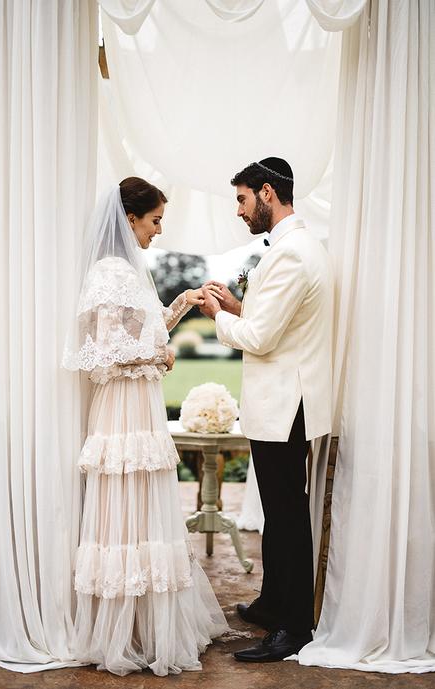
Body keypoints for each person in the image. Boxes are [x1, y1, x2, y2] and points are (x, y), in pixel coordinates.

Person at [62, 177, 228, 676]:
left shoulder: (130, 271)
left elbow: (149, 328)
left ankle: (143, 621)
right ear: (130, 218)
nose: (158, 231)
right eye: (154, 221)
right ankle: (124, 628)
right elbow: (105, 354)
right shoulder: (109, 272)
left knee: (144, 505)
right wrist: (158, 353)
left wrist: (184, 302)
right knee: (126, 505)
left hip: (140, 404)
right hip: (123, 408)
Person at [200, 157, 333, 662]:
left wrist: (218, 316)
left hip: (286, 403)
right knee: (279, 513)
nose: (239, 211)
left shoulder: (293, 253)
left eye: (241, 199)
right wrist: (238, 306)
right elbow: (273, 320)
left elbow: (259, 337)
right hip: (283, 402)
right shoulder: (295, 247)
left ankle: (293, 626)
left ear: (268, 193)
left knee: (287, 514)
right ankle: (274, 600)